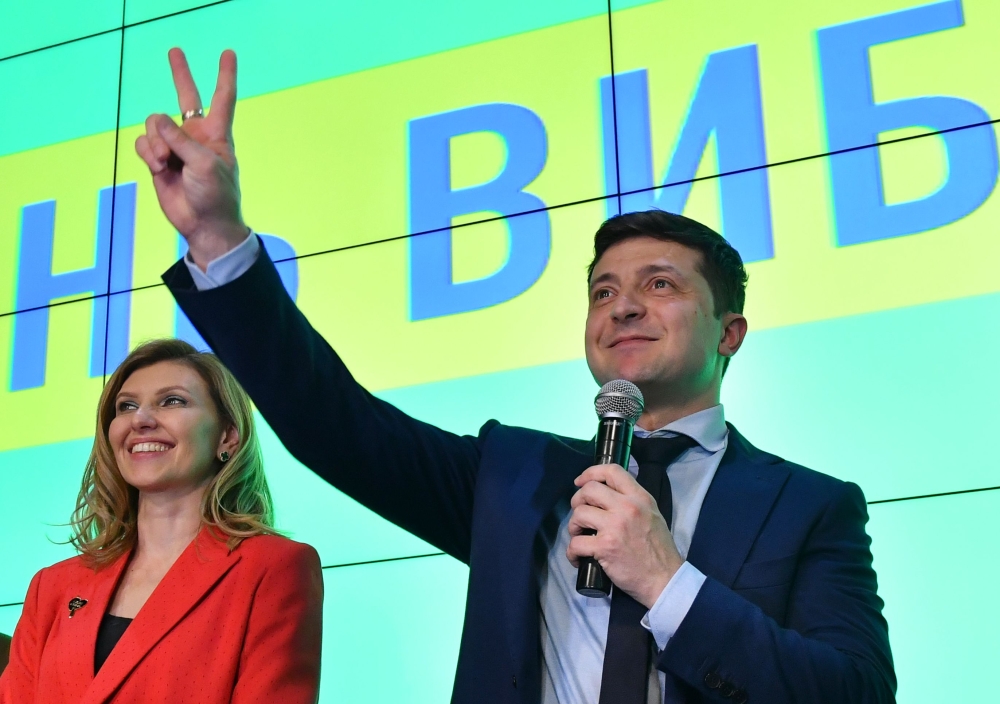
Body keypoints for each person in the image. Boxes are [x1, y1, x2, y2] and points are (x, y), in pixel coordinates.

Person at [137, 47, 895, 703]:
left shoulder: (811, 507)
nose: (623, 306)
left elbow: (852, 693)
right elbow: (337, 423)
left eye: (660, 285)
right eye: (603, 291)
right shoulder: (512, 475)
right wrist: (217, 237)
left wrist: (666, 582)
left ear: (730, 333)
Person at [0, 339, 323, 704]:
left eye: (172, 401)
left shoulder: (272, 567)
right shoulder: (52, 587)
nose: (140, 419)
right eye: (127, 406)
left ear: (228, 436)